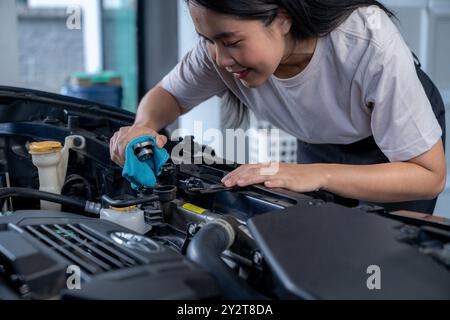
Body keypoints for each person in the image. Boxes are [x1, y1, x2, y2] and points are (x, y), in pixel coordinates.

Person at [110, 0, 446, 214]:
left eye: (231, 42)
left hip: (396, 150)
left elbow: (427, 176)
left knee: (390, 259)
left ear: (283, 18)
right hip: (321, 138)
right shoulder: (216, 53)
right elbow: (169, 94)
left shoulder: (367, 42)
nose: (219, 59)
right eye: (207, 39)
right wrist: (145, 125)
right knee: (327, 245)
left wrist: (316, 174)